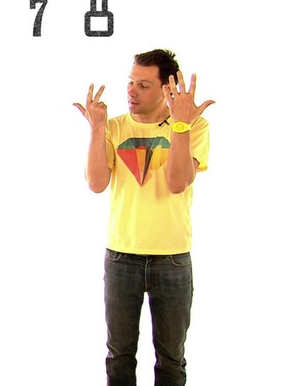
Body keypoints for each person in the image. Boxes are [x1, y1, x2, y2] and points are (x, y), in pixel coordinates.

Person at [73, 49, 214, 385]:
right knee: (119, 356)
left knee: (171, 360)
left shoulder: (195, 126)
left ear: (167, 89)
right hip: (121, 257)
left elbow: (177, 182)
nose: (131, 91)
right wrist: (96, 129)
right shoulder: (114, 127)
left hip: (172, 258)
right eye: (130, 82)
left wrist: (181, 125)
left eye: (144, 85)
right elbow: (96, 183)